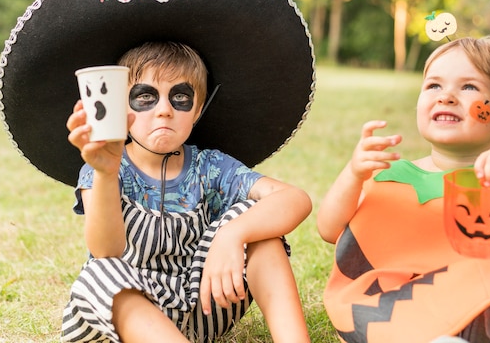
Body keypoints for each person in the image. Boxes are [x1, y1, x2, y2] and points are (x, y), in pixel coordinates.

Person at [61, 41, 312, 343]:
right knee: (98, 274)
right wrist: (105, 173)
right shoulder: (102, 168)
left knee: (255, 221)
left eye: (180, 97)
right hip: (129, 319)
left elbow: (295, 199)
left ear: (197, 110)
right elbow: (106, 250)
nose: (164, 110)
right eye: (145, 97)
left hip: (202, 307)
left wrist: (233, 234)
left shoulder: (211, 167)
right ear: (120, 107)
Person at [318, 36, 490, 343]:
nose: (447, 96)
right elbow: (329, 229)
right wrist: (353, 174)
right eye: (433, 86)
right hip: (397, 304)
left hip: (488, 302)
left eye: (469, 87)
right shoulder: (389, 174)